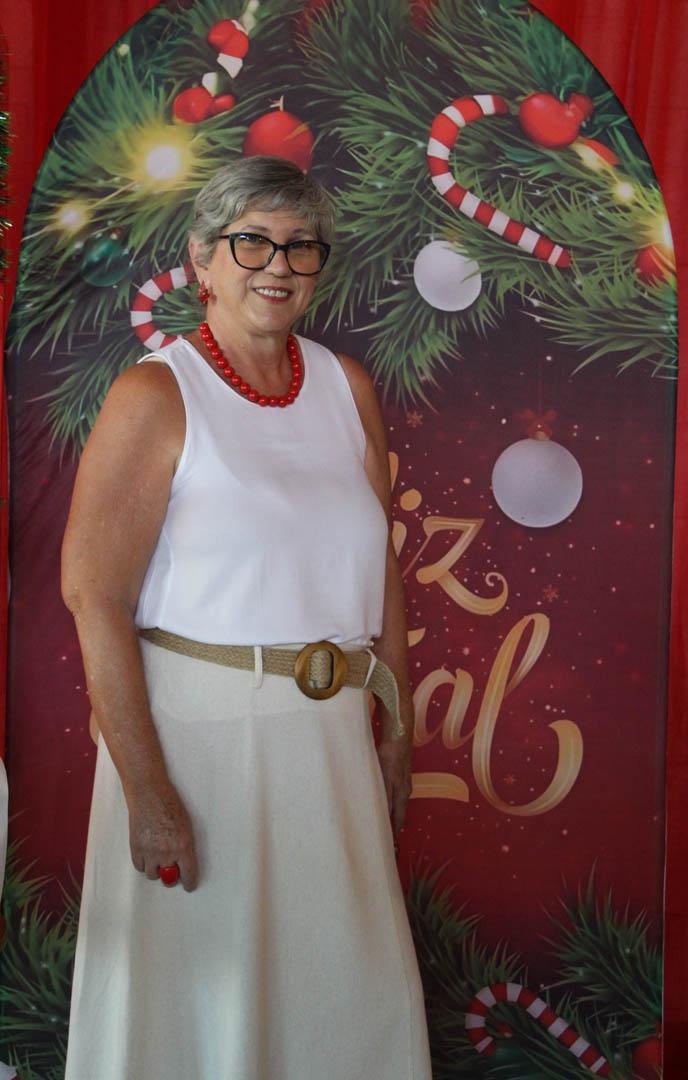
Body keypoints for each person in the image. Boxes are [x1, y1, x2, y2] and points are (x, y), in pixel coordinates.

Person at [61, 155, 433, 1080]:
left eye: (301, 246)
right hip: (197, 747)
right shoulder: (156, 394)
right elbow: (94, 596)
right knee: (201, 1004)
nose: (278, 264)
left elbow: (378, 564)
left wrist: (396, 731)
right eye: (252, 242)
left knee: (338, 996)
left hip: (331, 743)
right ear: (202, 258)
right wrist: (146, 789)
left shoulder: (346, 386)